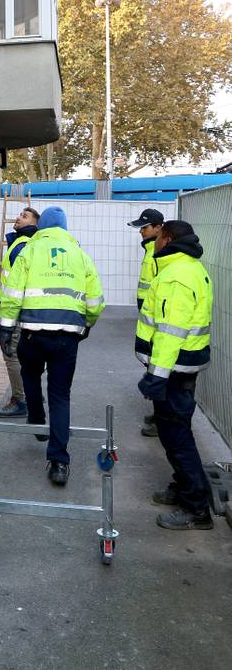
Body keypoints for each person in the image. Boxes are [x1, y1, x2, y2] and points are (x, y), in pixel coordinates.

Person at [0, 206, 105, 486]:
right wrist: (87, 325)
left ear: (42, 226)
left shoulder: (30, 251)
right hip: (67, 336)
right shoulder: (80, 255)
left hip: (33, 332)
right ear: (65, 228)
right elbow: (95, 302)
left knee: (30, 374)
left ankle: (35, 416)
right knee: (60, 395)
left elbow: (12, 294)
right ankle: (59, 462)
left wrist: (6, 328)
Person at [135, 220, 214, 530]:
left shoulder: (177, 276)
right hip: (182, 367)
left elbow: (171, 333)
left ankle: (196, 508)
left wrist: (156, 376)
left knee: (177, 436)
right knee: (175, 432)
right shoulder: (189, 267)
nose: (152, 242)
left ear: (166, 239)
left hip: (174, 370)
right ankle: (184, 487)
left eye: (157, 237)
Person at [0, 206, 39, 418]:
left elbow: (18, 285)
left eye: (25, 216)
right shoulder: (20, 242)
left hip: (15, 313)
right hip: (15, 310)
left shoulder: (23, 245)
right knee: (21, 356)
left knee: (11, 355)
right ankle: (30, 394)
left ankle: (21, 399)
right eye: (20, 214)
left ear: (35, 224)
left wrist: (8, 319)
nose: (19, 217)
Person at [128, 207, 165, 437]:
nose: (141, 231)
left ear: (159, 227)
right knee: (153, 367)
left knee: (159, 369)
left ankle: (163, 418)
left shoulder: (160, 253)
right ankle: (160, 414)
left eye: (145, 227)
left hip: (158, 325)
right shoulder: (151, 249)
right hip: (149, 321)